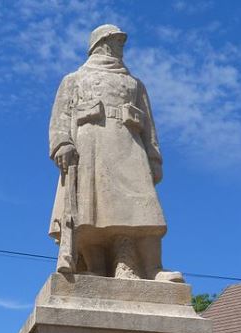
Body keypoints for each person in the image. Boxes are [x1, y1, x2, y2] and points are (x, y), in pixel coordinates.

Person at [49, 24, 182, 281]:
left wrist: (154, 158)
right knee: (90, 210)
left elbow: (149, 126)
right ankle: (95, 264)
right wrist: (62, 144)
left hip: (129, 147)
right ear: (101, 43)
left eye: (121, 41)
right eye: (116, 41)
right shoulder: (74, 79)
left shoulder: (135, 84)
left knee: (142, 208)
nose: (121, 46)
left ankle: (150, 267)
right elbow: (60, 118)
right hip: (89, 147)